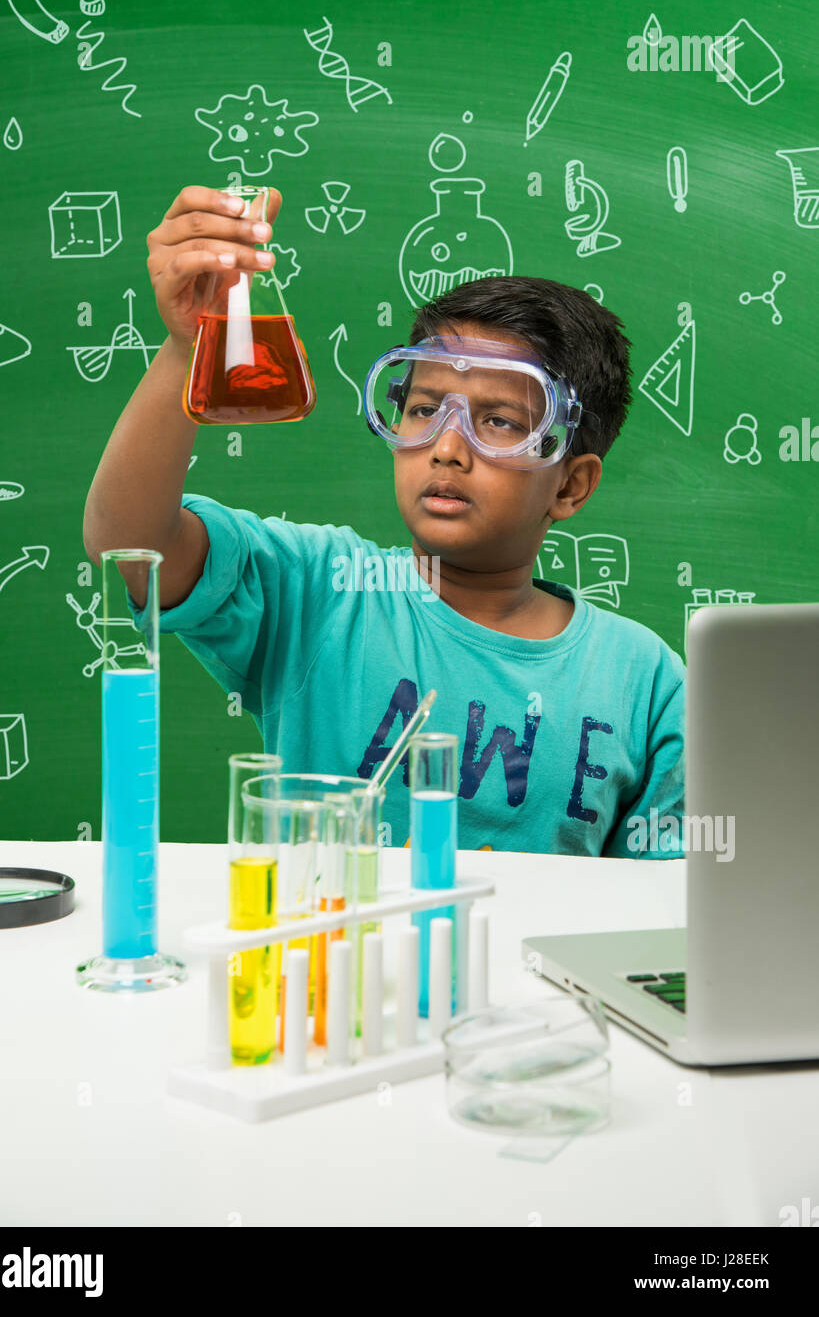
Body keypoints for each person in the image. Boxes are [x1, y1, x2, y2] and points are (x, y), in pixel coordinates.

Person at [83, 185, 684, 855]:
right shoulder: (320, 591)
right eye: (424, 408)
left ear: (569, 485)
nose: (448, 447)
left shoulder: (645, 679)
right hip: (334, 954)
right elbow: (131, 546)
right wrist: (188, 344)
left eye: (500, 421)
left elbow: (660, 904)